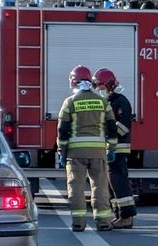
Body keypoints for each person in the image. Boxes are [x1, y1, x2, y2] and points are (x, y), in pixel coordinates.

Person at [57, 65, 118, 232]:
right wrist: (111, 148)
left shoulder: (70, 102)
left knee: (75, 187)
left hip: (75, 153)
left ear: (74, 81)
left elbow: (62, 130)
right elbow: (112, 127)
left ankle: (78, 223)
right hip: (98, 152)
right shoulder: (102, 101)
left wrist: (61, 151)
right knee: (100, 186)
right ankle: (103, 222)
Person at [92, 68, 136, 229]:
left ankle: (127, 217)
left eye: (101, 88)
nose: (99, 91)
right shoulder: (108, 102)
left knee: (120, 183)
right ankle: (119, 215)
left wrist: (106, 126)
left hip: (118, 149)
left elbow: (124, 128)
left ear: (109, 85)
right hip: (108, 149)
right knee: (112, 184)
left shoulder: (121, 102)